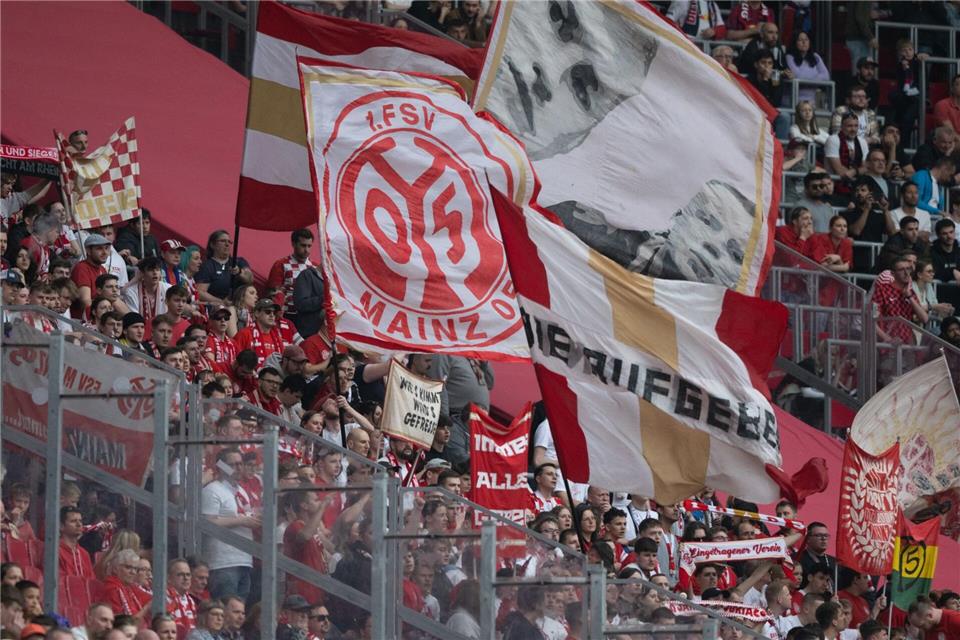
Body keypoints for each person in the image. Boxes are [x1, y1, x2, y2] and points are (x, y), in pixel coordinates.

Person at [201, 448, 259, 602]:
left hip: (244, 559)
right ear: (221, 466)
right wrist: (241, 520)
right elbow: (207, 523)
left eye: (241, 464)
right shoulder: (212, 490)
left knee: (237, 612)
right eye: (233, 464)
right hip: (222, 562)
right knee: (225, 608)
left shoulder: (241, 491)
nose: (239, 468)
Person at [266, 228, 313, 325]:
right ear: (293, 244)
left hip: (308, 317)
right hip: (286, 316)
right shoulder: (281, 264)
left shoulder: (314, 267)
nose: (306, 250)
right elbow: (272, 293)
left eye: (309, 246)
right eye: (303, 245)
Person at [843, 180, 891, 272]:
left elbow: (891, 232)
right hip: (857, 259)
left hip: (876, 260)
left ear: (871, 194)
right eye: (857, 190)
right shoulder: (848, 214)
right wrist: (867, 209)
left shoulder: (878, 216)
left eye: (863, 190)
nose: (859, 193)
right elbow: (856, 231)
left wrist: (886, 210)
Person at [195, 230, 252, 307]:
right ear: (212, 244)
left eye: (229, 242)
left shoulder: (239, 261)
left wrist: (239, 272)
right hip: (218, 309)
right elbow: (200, 292)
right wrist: (222, 302)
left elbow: (250, 279)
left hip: (241, 308)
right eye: (223, 241)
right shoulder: (207, 266)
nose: (227, 244)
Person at [889, 39, 927, 143]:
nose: (908, 52)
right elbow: (901, 86)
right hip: (905, 98)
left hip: (917, 97)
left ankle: (904, 144)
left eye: (910, 49)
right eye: (904, 50)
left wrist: (920, 56)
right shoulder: (900, 66)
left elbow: (923, 85)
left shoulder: (919, 63)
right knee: (893, 113)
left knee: (907, 118)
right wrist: (904, 68)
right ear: (900, 53)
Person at [233, 299, 288, 367]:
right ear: (257, 313)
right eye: (268, 312)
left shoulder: (277, 337)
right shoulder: (244, 334)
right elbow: (235, 360)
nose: (272, 315)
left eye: (274, 313)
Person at [102, 549, 151, 623]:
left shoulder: (128, 587)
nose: (133, 572)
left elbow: (151, 599)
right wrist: (147, 608)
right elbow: (126, 624)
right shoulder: (113, 589)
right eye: (128, 567)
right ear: (115, 569)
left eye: (135, 569)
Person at [749, 50, 788, 138]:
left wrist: (766, 80)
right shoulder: (750, 79)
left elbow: (775, 102)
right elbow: (759, 101)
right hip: (755, 111)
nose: (767, 66)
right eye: (763, 62)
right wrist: (765, 80)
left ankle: (781, 148)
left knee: (785, 117)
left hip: (771, 112)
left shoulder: (776, 79)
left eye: (770, 63)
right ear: (756, 65)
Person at [70, 234, 112, 316]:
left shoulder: (102, 269)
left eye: (106, 248)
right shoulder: (82, 268)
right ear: (88, 251)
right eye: (99, 248)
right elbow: (86, 301)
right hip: (84, 322)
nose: (105, 252)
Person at [784, 31, 829, 105]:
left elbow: (826, 77)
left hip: (810, 103)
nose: (804, 42)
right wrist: (816, 78)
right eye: (800, 40)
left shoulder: (816, 57)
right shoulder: (789, 57)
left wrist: (806, 81)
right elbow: (798, 76)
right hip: (792, 102)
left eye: (806, 39)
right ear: (794, 42)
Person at [826, 114, 869, 188]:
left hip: (857, 187)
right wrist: (858, 171)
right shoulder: (833, 139)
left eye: (856, 126)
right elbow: (840, 171)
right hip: (835, 185)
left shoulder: (862, 142)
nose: (853, 129)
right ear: (842, 127)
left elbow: (866, 168)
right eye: (850, 126)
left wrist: (854, 171)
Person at [58, 506, 95, 578]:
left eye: (80, 521)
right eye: (73, 521)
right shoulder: (55, 552)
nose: (79, 524)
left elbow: (92, 581)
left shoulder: (84, 553)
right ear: (61, 526)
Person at [931, 218, 960, 307]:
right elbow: (933, 272)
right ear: (938, 235)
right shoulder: (931, 252)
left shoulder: (959, 251)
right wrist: (952, 272)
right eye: (945, 233)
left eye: (951, 232)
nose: (949, 236)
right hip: (939, 296)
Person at [164, 558, 197, 630]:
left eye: (188, 575)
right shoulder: (165, 598)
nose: (186, 578)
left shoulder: (190, 600)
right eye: (180, 574)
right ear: (169, 578)